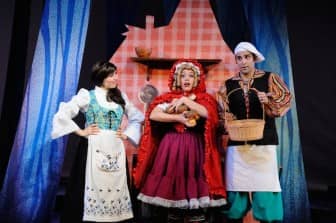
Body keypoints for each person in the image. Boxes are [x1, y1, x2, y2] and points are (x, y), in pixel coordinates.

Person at [133, 59, 226, 223]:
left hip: (193, 145)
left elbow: (207, 114)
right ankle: (174, 213)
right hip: (171, 146)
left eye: (190, 75)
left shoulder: (204, 98)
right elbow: (154, 114)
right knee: (173, 178)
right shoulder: (168, 98)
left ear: (197, 79)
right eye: (183, 76)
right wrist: (178, 118)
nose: (187, 79)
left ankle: (194, 213)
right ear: (177, 79)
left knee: (191, 175)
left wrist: (185, 101)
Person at [51, 61, 144, 222]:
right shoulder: (87, 95)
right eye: (111, 74)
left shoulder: (120, 97)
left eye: (116, 73)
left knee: (116, 186)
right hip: (92, 148)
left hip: (115, 149)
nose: (116, 77)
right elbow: (63, 112)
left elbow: (137, 117)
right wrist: (81, 131)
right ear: (101, 77)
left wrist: (127, 134)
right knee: (86, 186)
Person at [216, 42, 292, 223]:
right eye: (239, 58)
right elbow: (223, 114)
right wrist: (227, 123)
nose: (243, 62)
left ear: (254, 58)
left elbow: (283, 102)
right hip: (238, 146)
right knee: (235, 193)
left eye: (247, 57)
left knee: (266, 192)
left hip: (264, 143)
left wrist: (267, 100)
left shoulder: (269, 78)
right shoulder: (228, 85)